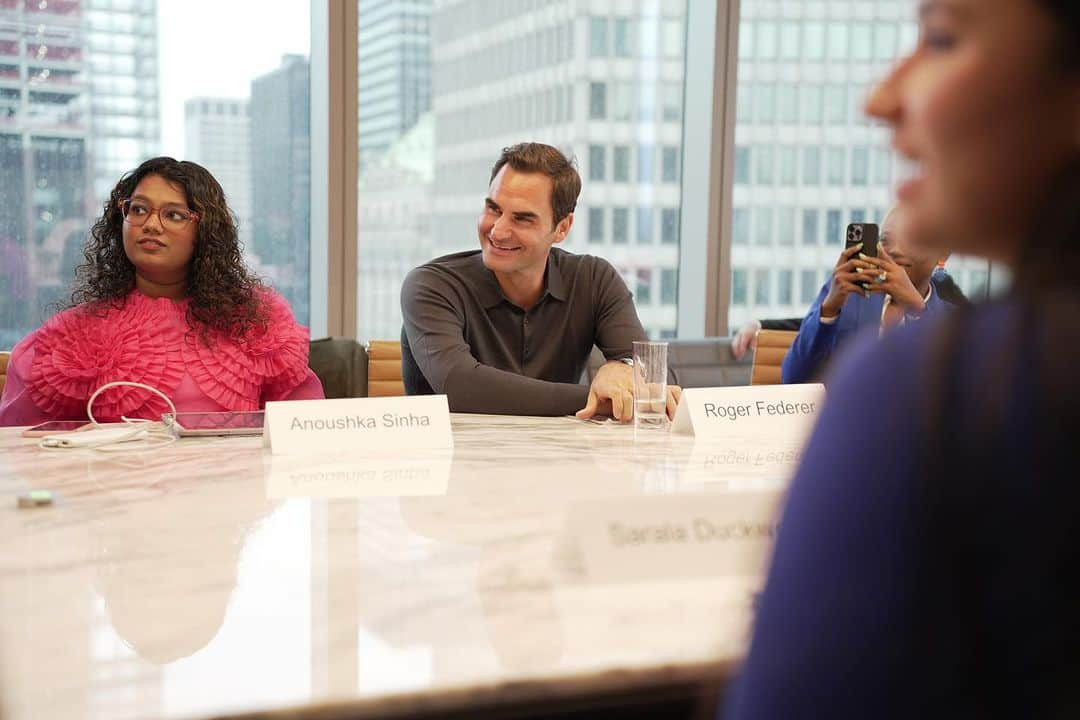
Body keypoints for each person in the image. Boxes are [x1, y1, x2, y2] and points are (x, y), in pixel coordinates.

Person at [726, 0, 1080, 718]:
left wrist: (910, 305)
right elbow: (797, 378)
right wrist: (827, 306)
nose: (881, 98)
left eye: (942, 38)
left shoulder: (941, 381)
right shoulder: (857, 308)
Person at [0, 157, 324, 426]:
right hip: (122, 497)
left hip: (234, 496)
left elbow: (306, 427)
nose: (151, 225)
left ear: (206, 230)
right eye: (138, 209)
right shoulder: (77, 333)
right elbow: (20, 443)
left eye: (173, 215)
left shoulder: (255, 319)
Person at [401, 142, 680, 420]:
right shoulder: (431, 286)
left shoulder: (594, 279)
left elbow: (656, 375)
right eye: (493, 209)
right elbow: (459, 386)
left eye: (522, 219)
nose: (497, 232)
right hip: (454, 458)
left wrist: (624, 366)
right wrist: (598, 396)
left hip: (560, 458)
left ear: (562, 228)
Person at [781, 206, 952, 383]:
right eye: (885, 241)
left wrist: (918, 310)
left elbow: (956, 394)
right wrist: (829, 311)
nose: (895, 250)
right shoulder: (847, 296)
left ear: (943, 254)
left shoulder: (954, 321)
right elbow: (793, 378)